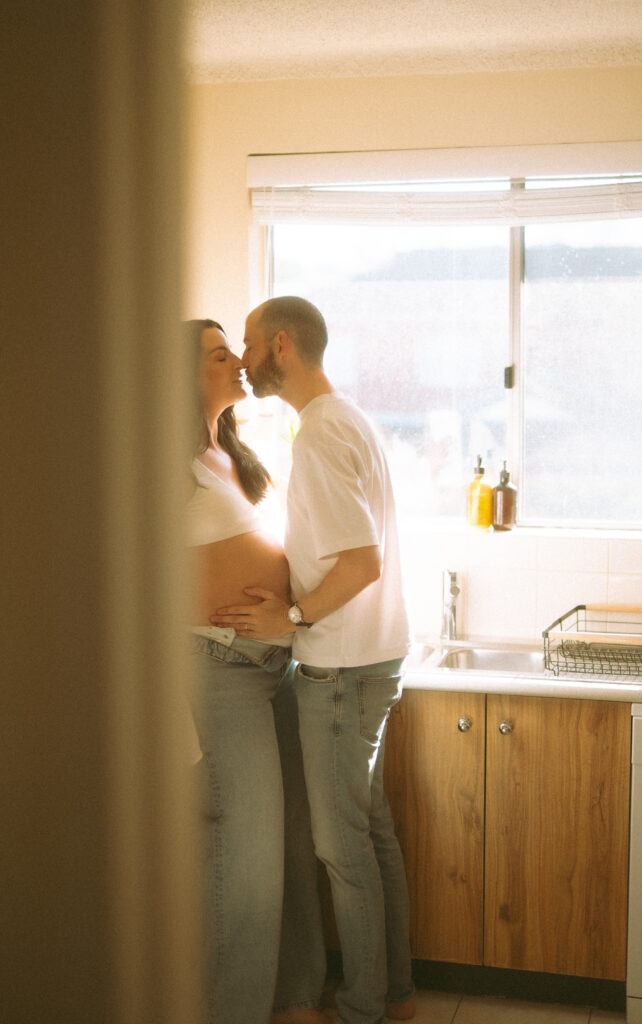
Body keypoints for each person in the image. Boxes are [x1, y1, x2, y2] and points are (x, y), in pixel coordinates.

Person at [211, 297, 416, 1024]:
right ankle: (396, 994)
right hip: (374, 657)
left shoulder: (322, 434)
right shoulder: (344, 419)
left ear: (280, 345)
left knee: (341, 848)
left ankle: (363, 1008)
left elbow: (360, 562)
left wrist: (291, 616)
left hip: (340, 669)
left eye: (246, 344)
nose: (241, 358)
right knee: (371, 830)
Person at [184, 318, 328, 1024]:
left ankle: (293, 999)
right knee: (246, 860)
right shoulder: (158, 458)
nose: (238, 362)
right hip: (218, 666)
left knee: (292, 846)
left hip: (274, 664)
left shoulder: (228, 453)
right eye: (219, 354)